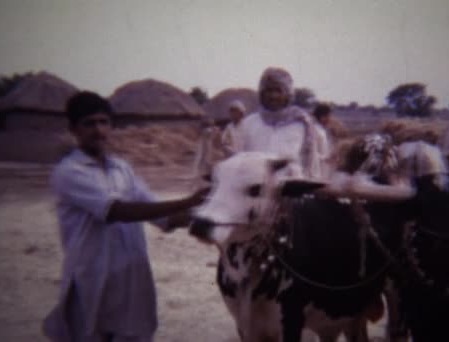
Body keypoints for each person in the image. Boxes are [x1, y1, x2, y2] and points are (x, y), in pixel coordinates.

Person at [43, 91, 208, 342]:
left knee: (133, 334)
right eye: (89, 123)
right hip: (93, 275)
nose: (98, 130)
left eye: (103, 122)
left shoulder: (122, 169)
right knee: (89, 333)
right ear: (73, 129)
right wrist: (187, 200)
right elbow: (116, 211)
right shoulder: (69, 172)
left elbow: (160, 215)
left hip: (131, 274)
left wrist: (206, 211)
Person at [239, 67, 326, 179]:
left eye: (278, 91)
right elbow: (239, 163)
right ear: (261, 93)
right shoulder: (249, 123)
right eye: (269, 90)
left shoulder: (302, 124)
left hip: (291, 191)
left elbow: (312, 166)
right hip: (254, 190)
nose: (273, 96)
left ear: (288, 95)